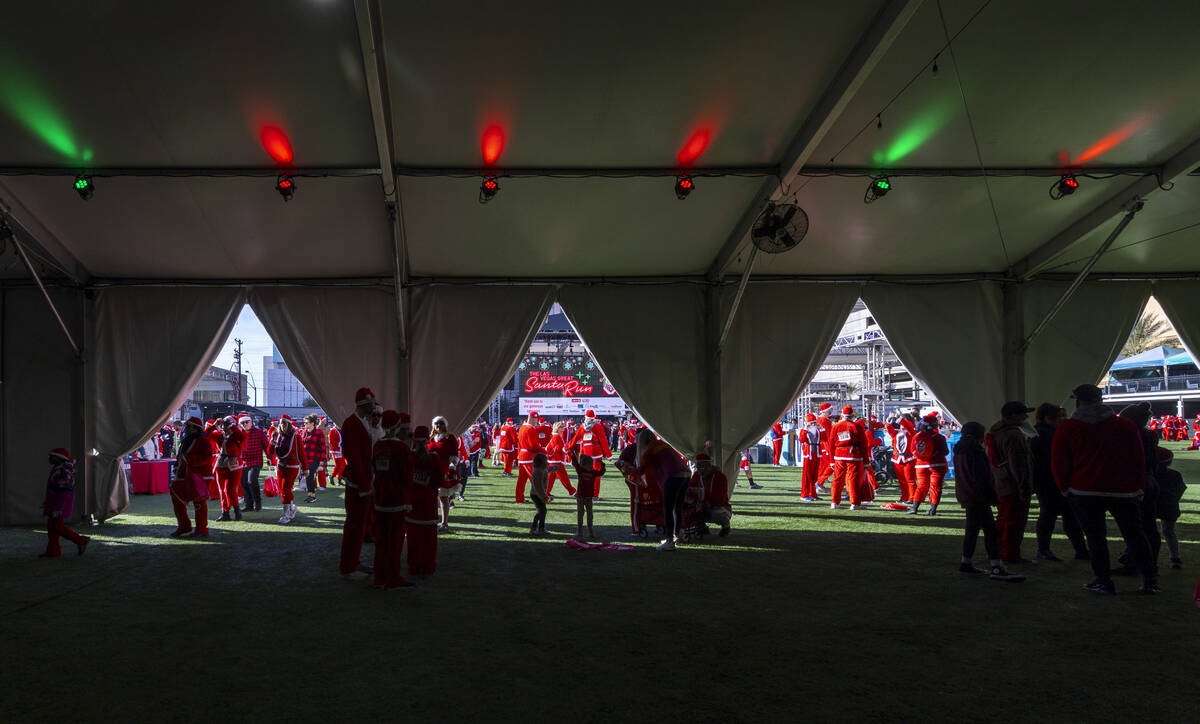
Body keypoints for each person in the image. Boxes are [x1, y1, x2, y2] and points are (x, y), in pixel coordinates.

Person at [1052, 384, 1157, 595]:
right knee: (1135, 535)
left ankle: (1103, 580)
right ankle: (1149, 580)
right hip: (1123, 490)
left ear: (1078, 402)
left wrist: (1064, 488)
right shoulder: (1125, 426)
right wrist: (1138, 486)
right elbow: (1138, 460)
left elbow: (1059, 462)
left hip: (1085, 489)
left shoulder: (1067, 427)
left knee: (1096, 538)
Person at [952, 423, 1023, 581]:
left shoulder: (959, 449)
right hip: (979, 496)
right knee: (990, 531)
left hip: (968, 494)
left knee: (972, 530)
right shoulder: (975, 451)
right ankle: (996, 566)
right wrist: (992, 496)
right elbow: (982, 477)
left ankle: (966, 561)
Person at [1029, 404, 1088, 561]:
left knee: (1067, 517)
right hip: (1049, 482)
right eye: (1057, 416)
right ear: (1045, 418)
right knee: (1050, 517)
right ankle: (1045, 549)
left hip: (1059, 481)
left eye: (1063, 415)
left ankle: (1080, 550)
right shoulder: (1041, 435)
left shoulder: (1049, 433)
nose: (1062, 419)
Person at [987, 402, 1035, 564]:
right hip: (1012, 485)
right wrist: (1024, 487)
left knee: (1003, 520)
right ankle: (1010, 554)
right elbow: (1019, 465)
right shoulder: (1013, 435)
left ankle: (1000, 551)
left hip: (1001, 483)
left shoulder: (996, 432)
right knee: (1014, 523)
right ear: (1011, 416)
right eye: (1021, 414)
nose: (1025, 417)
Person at [371, 410, 415, 590]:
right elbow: (407, 476)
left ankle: (380, 577)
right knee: (395, 541)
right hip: (396, 498)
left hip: (380, 497)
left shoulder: (378, 445)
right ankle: (393, 578)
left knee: (381, 540)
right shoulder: (402, 448)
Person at [339, 388, 377, 579]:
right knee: (354, 526)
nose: (374, 406)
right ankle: (348, 567)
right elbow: (354, 457)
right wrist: (364, 485)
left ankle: (353, 561)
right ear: (364, 404)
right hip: (357, 481)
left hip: (362, 478)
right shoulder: (352, 424)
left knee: (359, 526)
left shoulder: (361, 422)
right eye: (371, 403)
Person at [635, 429, 690, 551]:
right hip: (686, 474)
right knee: (677, 507)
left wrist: (627, 468)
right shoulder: (661, 444)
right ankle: (676, 534)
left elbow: (641, 469)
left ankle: (669, 541)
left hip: (673, 476)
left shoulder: (649, 449)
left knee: (668, 509)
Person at [407, 425, 443, 576]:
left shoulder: (409, 457)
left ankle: (413, 567)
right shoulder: (433, 458)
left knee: (413, 540)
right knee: (429, 540)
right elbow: (439, 480)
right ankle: (429, 567)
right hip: (428, 504)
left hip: (413, 504)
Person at [40, 448, 90, 558]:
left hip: (58, 506)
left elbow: (64, 492)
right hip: (54, 504)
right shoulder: (59, 469)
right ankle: (53, 551)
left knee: (57, 527)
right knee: (52, 527)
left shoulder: (63, 471)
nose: (49, 458)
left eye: (52, 456)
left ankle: (81, 540)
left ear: (59, 458)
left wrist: (59, 508)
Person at [170, 417, 214, 537]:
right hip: (185, 475)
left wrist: (189, 461)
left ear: (196, 428)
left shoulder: (203, 441)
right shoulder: (186, 440)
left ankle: (201, 529)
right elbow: (180, 456)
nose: (187, 429)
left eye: (189, 426)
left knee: (198, 502)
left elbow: (207, 457)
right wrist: (177, 465)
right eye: (187, 426)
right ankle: (184, 526)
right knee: (176, 495)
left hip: (200, 476)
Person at [907, 414, 949, 516]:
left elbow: (913, 451)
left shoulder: (916, 437)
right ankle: (933, 510)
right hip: (938, 465)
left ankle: (914, 508)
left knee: (921, 486)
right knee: (936, 487)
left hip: (921, 465)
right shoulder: (939, 437)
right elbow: (945, 452)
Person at [830, 405, 869, 510]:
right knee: (852, 480)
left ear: (842, 415)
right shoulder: (856, 427)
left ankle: (834, 502)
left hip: (839, 456)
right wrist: (866, 461)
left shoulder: (835, 426)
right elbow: (863, 445)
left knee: (837, 480)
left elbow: (831, 444)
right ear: (852, 415)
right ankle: (855, 503)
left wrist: (831, 461)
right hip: (853, 456)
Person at [1153, 448, 1186, 569]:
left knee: (1146, 532)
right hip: (1170, 507)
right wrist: (1173, 501)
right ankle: (1175, 558)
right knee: (1169, 532)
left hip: (1153, 506)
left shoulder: (1151, 474)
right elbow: (1181, 489)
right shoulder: (1175, 474)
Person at [568, 409, 611, 498]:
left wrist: (565, 448)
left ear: (585, 417)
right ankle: (594, 495)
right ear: (593, 418)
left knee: (583, 475)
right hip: (596, 453)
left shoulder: (581, 427)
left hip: (585, 453)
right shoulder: (598, 426)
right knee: (596, 475)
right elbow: (603, 441)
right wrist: (608, 455)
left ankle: (582, 492)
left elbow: (574, 440)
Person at [428, 415, 460, 531]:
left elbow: (455, 453)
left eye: (441, 423)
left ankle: (444, 523)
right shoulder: (431, 438)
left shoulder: (450, 437)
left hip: (444, 469)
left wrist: (452, 465)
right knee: (432, 497)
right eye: (437, 423)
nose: (439, 425)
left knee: (443, 497)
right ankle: (432, 521)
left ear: (445, 425)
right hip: (432, 469)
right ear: (433, 426)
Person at [689, 453, 732, 536]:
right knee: (689, 510)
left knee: (720, 514)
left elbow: (720, 499)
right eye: (698, 468)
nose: (700, 470)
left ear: (709, 466)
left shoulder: (720, 477)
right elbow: (690, 490)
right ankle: (701, 527)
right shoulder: (696, 475)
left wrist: (702, 495)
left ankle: (726, 527)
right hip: (701, 505)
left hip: (718, 506)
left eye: (703, 467)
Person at [273, 415, 306, 523]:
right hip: (280, 466)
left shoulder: (296, 436)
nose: (282, 425)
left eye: (284, 423)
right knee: (282, 490)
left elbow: (301, 453)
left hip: (292, 466)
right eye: (281, 423)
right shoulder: (278, 436)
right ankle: (292, 507)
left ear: (289, 424)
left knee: (286, 490)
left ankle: (286, 514)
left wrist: (305, 468)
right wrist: (272, 441)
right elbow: (271, 451)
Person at [214, 416, 247, 521]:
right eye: (224, 424)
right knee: (222, 490)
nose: (224, 426)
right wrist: (215, 424)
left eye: (226, 424)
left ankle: (237, 511)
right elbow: (208, 435)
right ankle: (225, 512)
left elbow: (242, 437)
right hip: (221, 464)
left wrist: (232, 425)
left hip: (234, 464)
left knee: (230, 489)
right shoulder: (220, 435)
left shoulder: (238, 433)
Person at [238, 415, 269, 513]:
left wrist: (269, 457)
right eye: (243, 423)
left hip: (256, 460)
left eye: (247, 422)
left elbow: (266, 445)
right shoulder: (239, 434)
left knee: (251, 481)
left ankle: (258, 504)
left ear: (251, 422)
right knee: (244, 482)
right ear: (240, 424)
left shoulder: (259, 432)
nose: (245, 424)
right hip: (244, 461)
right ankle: (249, 505)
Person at [514, 412, 545, 504]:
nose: (537, 421)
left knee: (522, 480)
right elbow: (534, 446)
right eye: (536, 419)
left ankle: (519, 499)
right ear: (533, 419)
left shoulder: (522, 428)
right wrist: (545, 452)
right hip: (529, 456)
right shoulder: (530, 429)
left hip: (522, 455)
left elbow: (519, 443)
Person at [886, 413, 917, 503]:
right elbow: (889, 429)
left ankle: (912, 498)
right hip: (897, 459)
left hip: (909, 459)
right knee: (902, 481)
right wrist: (889, 419)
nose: (902, 424)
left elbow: (908, 427)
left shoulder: (912, 432)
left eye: (904, 421)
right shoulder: (896, 433)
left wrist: (899, 418)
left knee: (910, 480)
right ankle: (904, 497)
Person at [571, 452, 601, 539]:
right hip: (580, 496)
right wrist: (573, 456)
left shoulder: (593, 472)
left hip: (589, 497)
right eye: (590, 464)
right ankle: (579, 529)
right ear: (584, 465)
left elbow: (600, 473)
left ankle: (590, 528)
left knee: (590, 513)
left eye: (592, 464)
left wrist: (603, 466)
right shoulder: (580, 470)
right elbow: (576, 464)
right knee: (580, 513)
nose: (592, 466)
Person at [545, 421, 576, 498]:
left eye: (563, 426)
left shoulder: (556, 436)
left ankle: (545, 492)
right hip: (556, 461)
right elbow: (559, 449)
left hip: (554, 461)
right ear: (557, 428)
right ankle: (572, 492)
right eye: (561, 427)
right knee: (564, 478)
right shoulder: (557, 437)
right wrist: (567, 448)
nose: (563, 428)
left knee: (550, 479)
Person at [799, 413, 822, 500]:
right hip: (808, 454)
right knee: (807, 475)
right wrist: (805, 428)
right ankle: (804, 495)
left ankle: (813, 494)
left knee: (814, 475)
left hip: (816, 453)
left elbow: (824, 438)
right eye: (812, 423)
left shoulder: (818, 430)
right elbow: (801, 439)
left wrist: (821, 428)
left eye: (814, 423)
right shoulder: (804, 430)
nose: (813, 425)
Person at [529, 453, 550, 535]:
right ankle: (533, 528)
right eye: (546, 461)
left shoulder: (542, 469)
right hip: (536, 494)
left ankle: (541, 528)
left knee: (543, 511)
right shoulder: (538, 472)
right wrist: (544, 497)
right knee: (540, 511)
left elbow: (549, 469)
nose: (547, 462)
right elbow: (538, 487)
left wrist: (556, 467)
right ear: (540, 462)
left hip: (540, 494)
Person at [328, 420, 344, 485]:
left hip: (342, 450)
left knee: (342, 465)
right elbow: (331, 441)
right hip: (336, 450)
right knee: (339, 465)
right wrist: (340, 444)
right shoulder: (332, 430)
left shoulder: (342, 430)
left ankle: (338, 479)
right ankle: (333, 477)